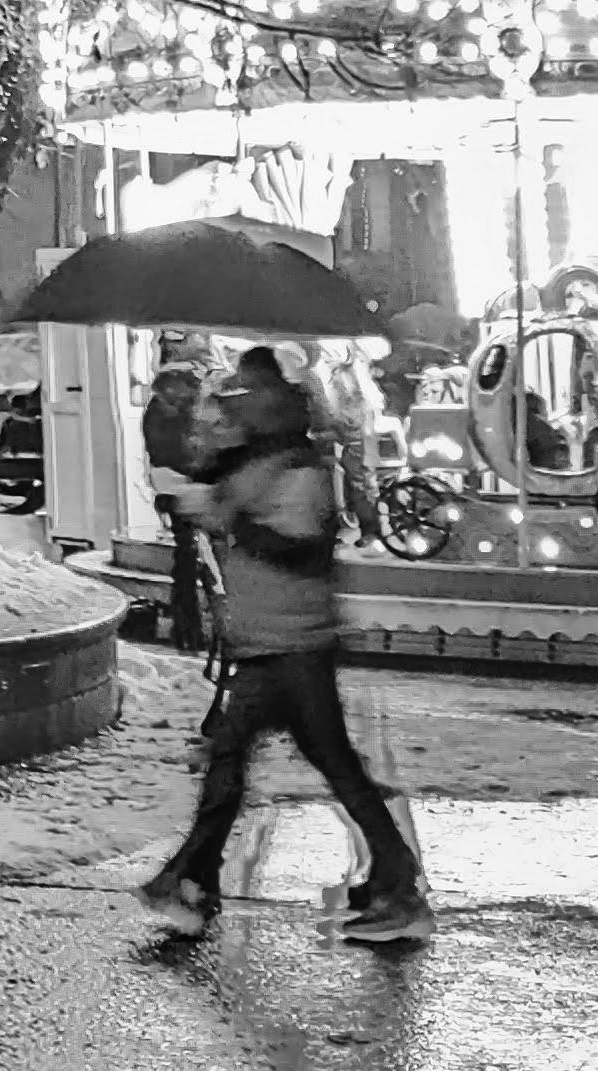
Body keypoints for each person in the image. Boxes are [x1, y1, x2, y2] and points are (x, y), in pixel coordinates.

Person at [139, 353, 431, 948]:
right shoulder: (252, 463)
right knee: (260, 763)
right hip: (268, 642)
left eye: (249, 400)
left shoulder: (298, 470)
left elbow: (303, 550)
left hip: (294, 646)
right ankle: (192, 881)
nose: (238, 409)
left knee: (266, 764)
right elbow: (217, 487)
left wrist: (233, 521)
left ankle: (192, 881)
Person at [139, 337, 222, 653]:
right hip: (181, 490)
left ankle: (192, 629)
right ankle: (189, 630)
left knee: (190, 561)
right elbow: (177, 453)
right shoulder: (166, 415)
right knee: (189, 560)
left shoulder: (176, 411)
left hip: (184, 489)